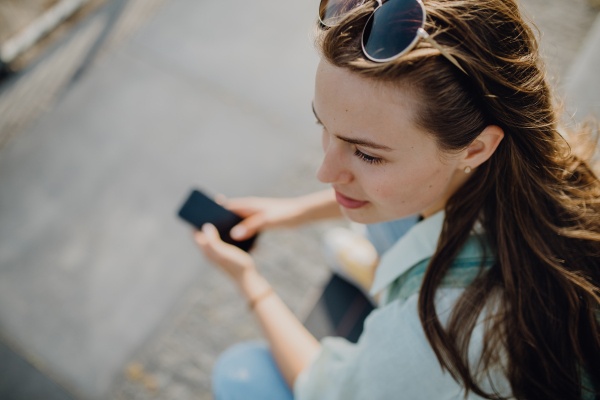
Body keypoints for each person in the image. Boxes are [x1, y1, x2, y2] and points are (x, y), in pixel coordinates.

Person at [192, 0, 600, 398]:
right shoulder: (525, 156)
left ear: (475, 149)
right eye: (324, 126)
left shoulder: (441, 330)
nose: (324, 173)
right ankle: (381, 270)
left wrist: (248, 280)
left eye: (367, 153)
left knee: (241, 374)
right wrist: (291, 213)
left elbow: (330, 389)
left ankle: (382, 278)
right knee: (390, 196)